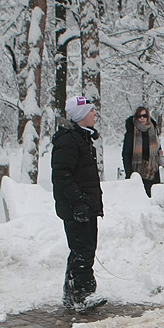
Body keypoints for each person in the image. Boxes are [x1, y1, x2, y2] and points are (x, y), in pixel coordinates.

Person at [51, 96, 105, 312]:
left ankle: (71, 293)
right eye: (91, 111)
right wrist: (79, 202)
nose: (94, 114)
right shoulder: (68, 141)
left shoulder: (81, 139)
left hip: (85, 205)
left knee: (83, 248)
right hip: (77, 208)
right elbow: (62, 175)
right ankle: (82, 295)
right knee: (82, 249)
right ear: (80, 115)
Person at [122, 105, 164, 197]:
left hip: (152, 170)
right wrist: (129, 173)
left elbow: (157, 144)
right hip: (138, 171)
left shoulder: (153, 129)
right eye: (139, 116)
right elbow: (126, 153)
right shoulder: (131, 132)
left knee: (154, 197)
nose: (142, 118)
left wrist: (159, 150)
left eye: (144, 116)